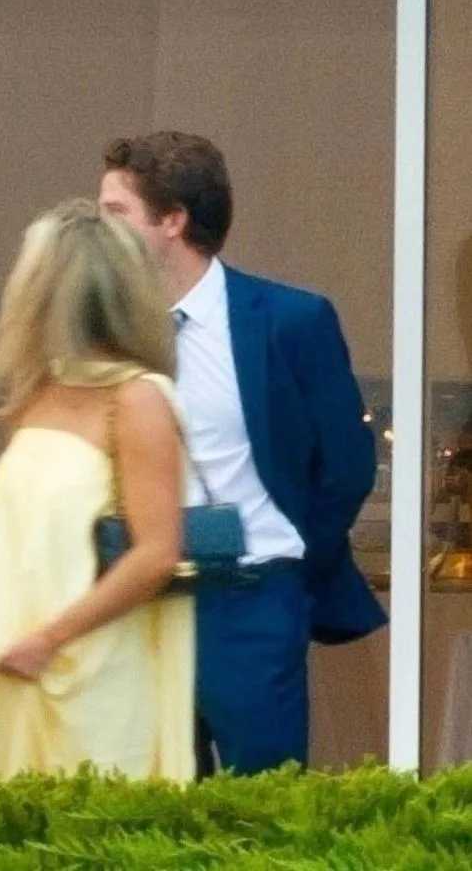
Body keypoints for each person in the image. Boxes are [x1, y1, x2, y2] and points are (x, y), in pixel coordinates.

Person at [99, 131, 384, 776]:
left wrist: (290, 558)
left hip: (251, 597)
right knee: (147, 802)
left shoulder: (289, 320)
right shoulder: (106, 326)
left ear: (172, 221)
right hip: (138, 602)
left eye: (116, 213)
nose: (99, 230)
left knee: (264, 802)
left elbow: (346, 462)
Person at [0, 199, 194, 781]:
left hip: (92, 672)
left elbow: (157, 553)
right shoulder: (36, 395)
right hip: (5, 663)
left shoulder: (137, 400)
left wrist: (50, 640)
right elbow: (1, 537)